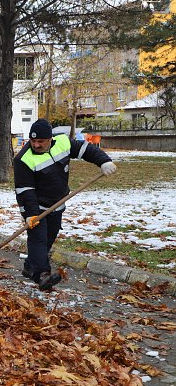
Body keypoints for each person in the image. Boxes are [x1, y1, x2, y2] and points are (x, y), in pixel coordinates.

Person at [14, 119, 117, 290]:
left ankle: (30, 266)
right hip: (37, 207)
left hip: (57, 203)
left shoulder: (62, 142)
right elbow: (25, 191)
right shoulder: (23, 159)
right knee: (38, 239)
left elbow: (85, 149)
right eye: (33, 141)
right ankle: (42, 274)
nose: (36, 145)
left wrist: (103, 161)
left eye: (40, 141)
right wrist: (30, 215)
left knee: (48, 238)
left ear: (50, 139)